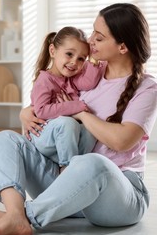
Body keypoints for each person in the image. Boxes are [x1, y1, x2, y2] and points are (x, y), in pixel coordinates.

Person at [0, 3, 157, 235]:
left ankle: (21, 217)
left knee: (93, 163)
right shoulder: (88, 71)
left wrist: (81, 114)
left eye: (99, 38)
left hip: (119, 194)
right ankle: (16, 213)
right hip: (67, 187)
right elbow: (52, 98)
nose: (90, 41)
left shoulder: (147, 88)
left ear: (122, 46)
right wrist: (26, 112)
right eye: (93, 33)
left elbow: (122, 141)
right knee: (5, 139)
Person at [30, 26, 103, 169]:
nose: (74, 62)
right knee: (67, 123)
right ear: (53, 51)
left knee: (91, 130)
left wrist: (94, 60)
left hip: (65, 139)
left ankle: (76, 165)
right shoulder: (44, 80)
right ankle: (67, 168)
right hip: (43, 135)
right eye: (69, 54)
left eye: (81, 59)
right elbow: (42, 111)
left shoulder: (71, 79)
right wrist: (76, 107)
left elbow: (89, 82)